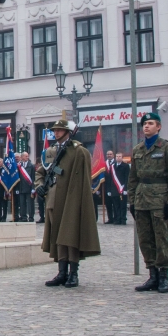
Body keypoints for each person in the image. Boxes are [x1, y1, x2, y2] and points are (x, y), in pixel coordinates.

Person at [37, 114, 100, 288]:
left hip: (70, 199)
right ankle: (61, 272)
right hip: (52, 198)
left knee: (70, 235)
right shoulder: (50, 152)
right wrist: (39, 185)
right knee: (57, 236)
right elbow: (41, 172)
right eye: (54, 130)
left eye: (59, 130)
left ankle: (73, 272)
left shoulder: (78, 151)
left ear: (68, 132)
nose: (56, 133)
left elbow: (83, 179)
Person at [129, 112, 168, 293]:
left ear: (158, 127)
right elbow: (133, 178)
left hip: (159, 199)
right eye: (144, 124)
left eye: (150, 123)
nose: (146, 126)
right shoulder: (137, 150)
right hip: (142, 199)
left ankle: (164, 276)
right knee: (145, 239)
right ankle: (152, 275)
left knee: (161, 238)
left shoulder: (167, 148)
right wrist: (131, 201)